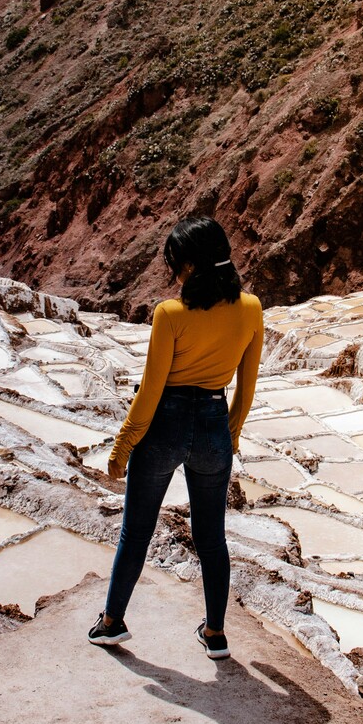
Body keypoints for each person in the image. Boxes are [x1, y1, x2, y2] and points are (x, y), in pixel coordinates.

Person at [88, 215, 263, 659]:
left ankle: (111, 623)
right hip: (212, 424)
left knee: (136, 532)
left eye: (176, 262)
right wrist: (232, 435)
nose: (174, 272)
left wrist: (123, 445)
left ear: (190, 264)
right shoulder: (252, 309)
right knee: (212, 538)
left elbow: (149, 392)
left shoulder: (169, 314)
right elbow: (247, 387)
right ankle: (216, 634)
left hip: (165, 422)